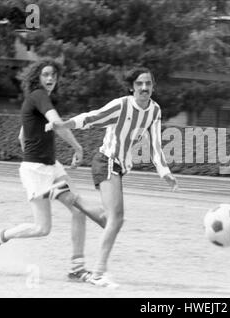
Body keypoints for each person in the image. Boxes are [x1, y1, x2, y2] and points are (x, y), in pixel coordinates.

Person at [46, 67, 178, 287]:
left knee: (111, 221)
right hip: (106, 161)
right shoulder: (121, 105)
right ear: (131, 87)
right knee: (116, 218)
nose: (144, 88)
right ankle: (98, 273)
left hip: (119, 167)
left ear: (153, 87)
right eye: (139, 84)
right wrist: (64, 124)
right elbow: (92, 118)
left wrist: (164, 172)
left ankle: (66, 195)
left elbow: (155, 145)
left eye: (148, 84)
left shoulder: (155, 110)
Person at [0, 59, 107, 282]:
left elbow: (23, 135)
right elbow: (56, 123)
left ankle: (77, 268)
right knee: (42, 227)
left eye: (54, 76)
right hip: (37, 170)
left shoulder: (40, 101)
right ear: (37, 77)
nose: (50, 79)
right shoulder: (38, 96)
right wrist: (73, 147)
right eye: (46, 74)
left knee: (77, 210)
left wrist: (42, 153)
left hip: (51, 166)